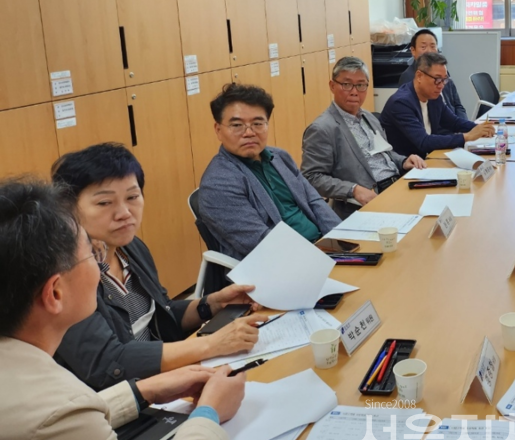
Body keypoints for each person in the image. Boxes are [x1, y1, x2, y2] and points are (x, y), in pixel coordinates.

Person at [0, 178, 246, 440]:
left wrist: (142, 391)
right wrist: (208, 415)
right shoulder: (57, 409)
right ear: (55, 293)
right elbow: (60, 419)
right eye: (92, 254)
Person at [51, 144, 268, 391]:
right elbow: (107, 364)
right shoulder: (65, 276)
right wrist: (212, 344)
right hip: (120, 403)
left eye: (132, 197)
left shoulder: (132, 249)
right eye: (104, 203)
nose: (124, 213)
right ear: (69, 210)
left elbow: (160, 315)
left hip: (166, 380)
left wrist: (212, 304)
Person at [198, 83, 341, 259]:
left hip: (322, 248)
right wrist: (319, 257)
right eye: (237, 125)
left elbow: (314, 201)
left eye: (258, 123)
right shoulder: (218, 183)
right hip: (282, 264)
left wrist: (341, 240)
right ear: (218, 130)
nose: (249, 133)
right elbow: (261, 243)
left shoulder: (280, 157)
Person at [302, 56, 427, 218]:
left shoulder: (369, 117)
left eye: (361, 85)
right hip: (367, 202)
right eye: (346, 84)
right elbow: (311, 177)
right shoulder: (322, 129)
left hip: (397, 185)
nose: (354, 92)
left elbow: (383, 153)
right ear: (332, 86)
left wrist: (403, 161)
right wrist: (353, 189)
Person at [380, 52, 496, 158]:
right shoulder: (401, 103)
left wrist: (480, 129)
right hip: (407, 167)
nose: (441, 86)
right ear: (419, 76)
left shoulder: (433, 97)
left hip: (428, 159)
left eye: (444, 80)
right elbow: (423, 142)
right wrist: (467, 137)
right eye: (437, 79)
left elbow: (454, 122)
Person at [397, 29, 467, 118]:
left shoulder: (443, 72)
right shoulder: (409, 77)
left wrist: (465, 127)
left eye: (433, 46)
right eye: (423, 47)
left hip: (455, 125)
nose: (429, 51)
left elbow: (458, 106)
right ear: (413, 51)